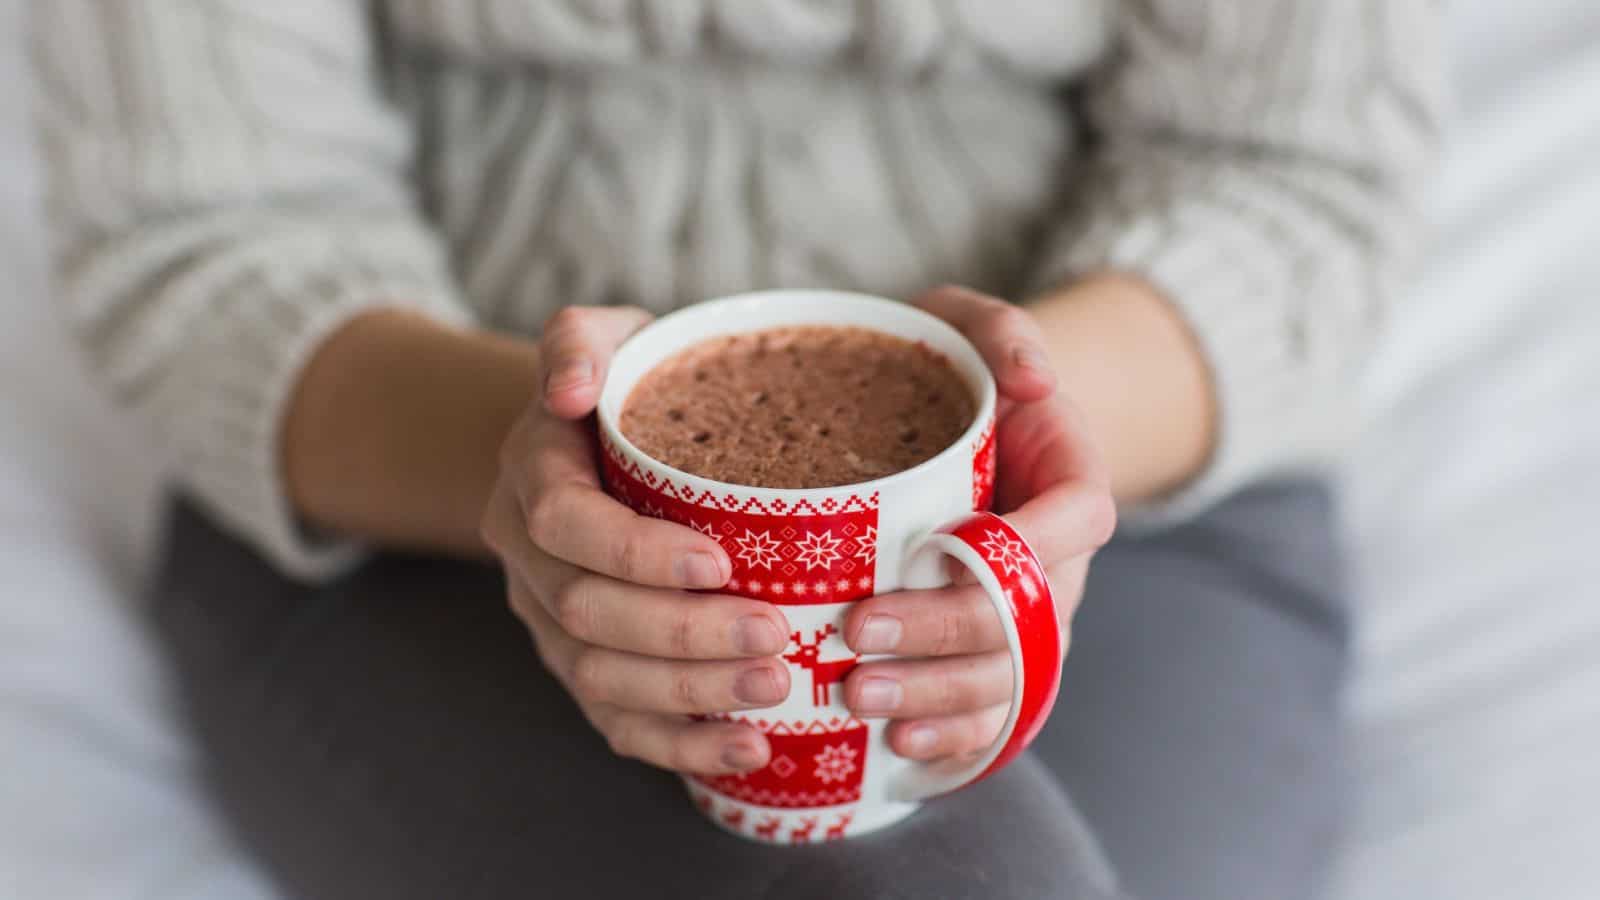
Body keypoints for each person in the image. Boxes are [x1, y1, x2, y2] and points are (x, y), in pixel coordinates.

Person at [30, 2, 1440, 898]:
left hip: (1122, 475)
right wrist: (554, 483)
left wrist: (1020, 445)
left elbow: (1296, 175)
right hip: (411, 480)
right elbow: (206, 233)